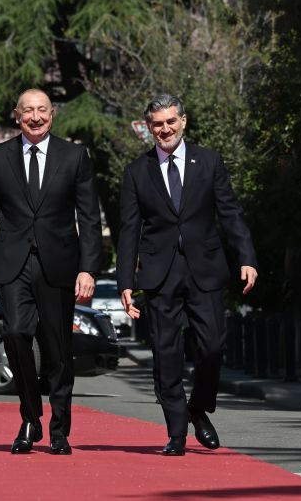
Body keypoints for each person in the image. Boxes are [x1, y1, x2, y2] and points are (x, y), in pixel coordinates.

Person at [117, 94, 257, 456]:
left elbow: (230, 212)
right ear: (149, 128)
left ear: (183, 121)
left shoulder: (209, 161)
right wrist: (125, 282)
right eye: (157, 124)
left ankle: (197, 407)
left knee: (212, 347)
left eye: (170, 121)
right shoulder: (137, 172)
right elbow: (129, 230)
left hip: (205, 269)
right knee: (166, 354)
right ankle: (176, 432)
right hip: (159, 274)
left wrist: (246, 257)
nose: (165, 129)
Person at [0, 88, 102, 455]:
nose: (36, 117)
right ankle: (30, 417)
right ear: (17, 116)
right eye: (28, 111)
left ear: (52, 113)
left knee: (58, 350)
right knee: (14, 333)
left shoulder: (74, 156)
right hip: (13, 264)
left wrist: (88, 269)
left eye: (42, 110)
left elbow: (90, 218)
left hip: (59, 264)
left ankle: (59, 430)